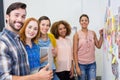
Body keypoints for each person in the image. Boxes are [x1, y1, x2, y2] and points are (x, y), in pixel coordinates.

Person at [0, 2, 52, 80]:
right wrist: (37, 77)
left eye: (23, 16)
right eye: (16, 15)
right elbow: (4, 78)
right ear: (7, 17)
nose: (20, 19)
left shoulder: (18, 40)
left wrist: (41, 72)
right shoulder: (2, 42)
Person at [73, 14, 103, 80]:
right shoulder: (76, 35)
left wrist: (101, 36)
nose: (84, 22)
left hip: (92, 64)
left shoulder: (93, 33)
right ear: (80, 22)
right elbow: (74, 52)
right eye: (82, 20)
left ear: (88, 22)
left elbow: (98, 46)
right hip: (81, 64)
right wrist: (77, 67)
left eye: (86, 20)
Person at [38, 16, 59, 80]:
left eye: (47, 25)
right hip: (41, 71)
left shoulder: (51, 36)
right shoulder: (34, 39)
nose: (45, 27)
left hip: (52, 69)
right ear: (38, 25)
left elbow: (55, 53)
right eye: (43, 25)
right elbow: (35, 61)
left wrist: (55, 53)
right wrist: (48, 55)